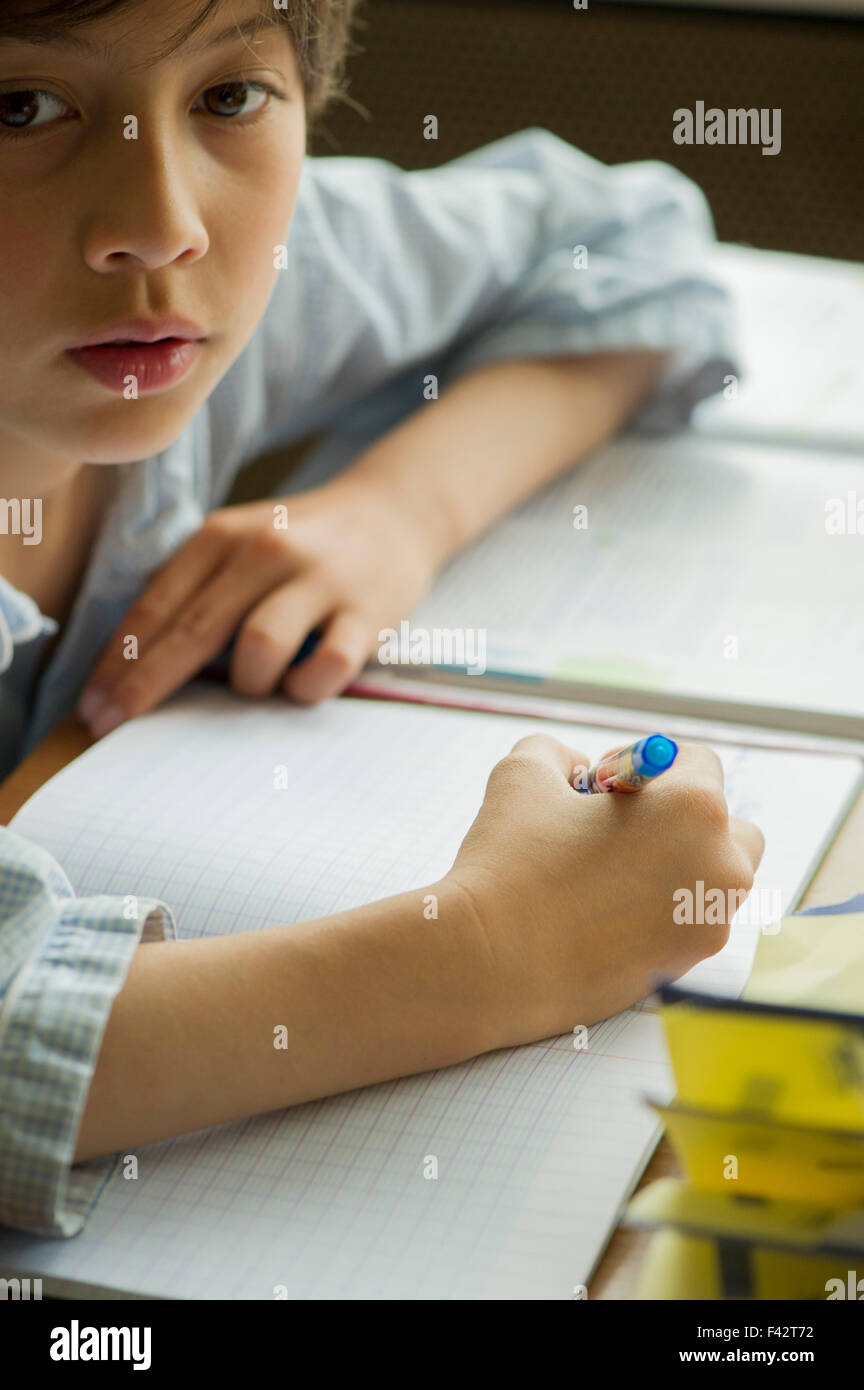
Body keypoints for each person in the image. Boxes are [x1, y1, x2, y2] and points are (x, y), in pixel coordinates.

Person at [0, 0, 762, 1237]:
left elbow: (631, 241)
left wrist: (398, 509)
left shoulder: (194, 302)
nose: (163, 226)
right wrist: (492, 950)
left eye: (230, 95)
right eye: (20, 108)